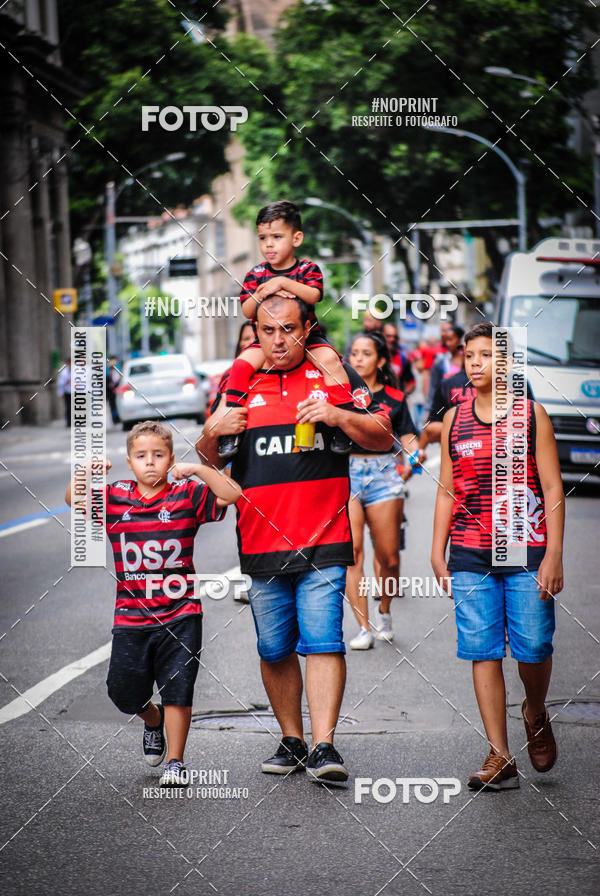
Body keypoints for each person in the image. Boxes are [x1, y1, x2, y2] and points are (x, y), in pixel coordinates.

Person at [196, 295, 393, 785]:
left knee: (324, 641)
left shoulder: (332, 374)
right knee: (273, 648)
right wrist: (212, 430)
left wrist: (338, 415)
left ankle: (325, 744)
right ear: (256, 334)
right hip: (260, 541)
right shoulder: (240, 384)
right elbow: (210, 461)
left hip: (324, 537)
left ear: (307, 329)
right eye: (268, 331)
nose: (278, 340)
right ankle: (292, 740)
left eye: (288, 329)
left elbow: (382, 435)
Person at [65, 420, 241, 787]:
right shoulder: (115, 498)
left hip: (182, 613)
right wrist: (86, 472)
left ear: (170, 459)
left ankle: (175, 762)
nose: (150, 462)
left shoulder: (186, 495)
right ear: (129, 462)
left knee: (179, 687)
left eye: (159, 455)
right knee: (122, 690)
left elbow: (231, 494)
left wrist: (197, 470)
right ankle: (152, 718)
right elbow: (73, 499)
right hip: (131, 617)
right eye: (141, 455)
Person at [431, 322, 564, 791]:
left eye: (487, 355)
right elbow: (446, 489)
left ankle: (535, 710)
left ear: (506, 363)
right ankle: (500, 753)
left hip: (526, 549)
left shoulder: (531, 415)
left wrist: (554, 554)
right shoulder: (454, 419)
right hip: (470, 552)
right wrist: (437, 550)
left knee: (534, 646)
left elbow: (552, 488)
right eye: (470, 355)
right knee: (482, 650)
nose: (476, 363)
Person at [219, 200, 351, 457]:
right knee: (240, 365)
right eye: (263, 238)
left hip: (308, 338)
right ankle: (230, 430)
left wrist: (282, 282)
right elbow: (247, 310)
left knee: (331, 362)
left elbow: (313, 295)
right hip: (266, 341)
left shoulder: (307, 269)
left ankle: (343, 424)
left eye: (277, 237)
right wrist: (262, 293)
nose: (269, 244)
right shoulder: (256, 274)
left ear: (296, 238)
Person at [345, 332, 422, 649]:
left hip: (384, 475)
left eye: (366, 353)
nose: (358, 359)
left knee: (388, 556)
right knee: (352, 553)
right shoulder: (339, 393)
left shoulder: (394, 397)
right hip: (346, 474)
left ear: (380, 361)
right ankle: (363, 628)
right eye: (354, 353)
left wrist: (415, 458)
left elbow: (409, 438)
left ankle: (384, 611)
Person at [424, 323, 464, 416]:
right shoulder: (440, 361)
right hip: (445, 407)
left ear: (459, 339)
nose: (448, 343)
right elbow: (433, 387)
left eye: (451, 339)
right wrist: (429, 410)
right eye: (446, 340)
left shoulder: (467, 360)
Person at [382, 322, 415, 395]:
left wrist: (402, 396)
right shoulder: (374, 357)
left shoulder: (403, 358)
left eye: (395, 337)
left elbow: (411, 383)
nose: (392, 339)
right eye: (388, 336)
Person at [106, 356, 122, 424]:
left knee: (118, 405)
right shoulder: (107, 372)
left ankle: (119, 417)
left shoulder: (118, 371)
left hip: (118, 392)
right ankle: (114, 418)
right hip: (110, 393)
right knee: (113, 406)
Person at [57, 359, 72, 427]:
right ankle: (69, 422)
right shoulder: (64, 371)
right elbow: (60, 383)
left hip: (76, 392)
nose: (70, 365)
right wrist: (60, 393)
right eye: (69, 363)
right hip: (67, 391)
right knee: (68, 407)